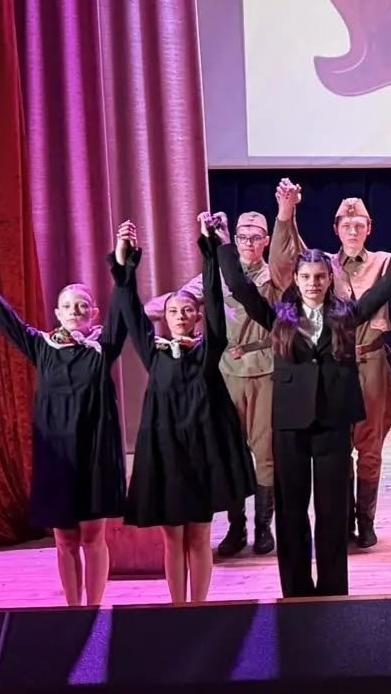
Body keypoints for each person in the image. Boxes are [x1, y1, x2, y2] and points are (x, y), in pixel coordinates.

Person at [218, 206, 391, 597]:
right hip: (290, 424)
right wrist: (225, 243)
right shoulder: (279, 318)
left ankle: (332, 591)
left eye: (320, 277)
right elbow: (241, 289)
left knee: (331, 512)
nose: (313, 283)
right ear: (296, 280)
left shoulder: (345, 316)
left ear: (330, 279)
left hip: (332, 422)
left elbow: (388, 284)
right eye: (306, 277)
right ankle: (296, 590)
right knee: (292, 512)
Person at [0, 247, 125, 607]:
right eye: (67, 306)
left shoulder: (103, 347)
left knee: (93, 537)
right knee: (65, 540)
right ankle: (73, 610)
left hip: (94, 454)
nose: (74, 311)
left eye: (82, 306)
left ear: (94, 313)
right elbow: (6, 320)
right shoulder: (42, 347)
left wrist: (123, 264)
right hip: (56, 456)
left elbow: (126, 304)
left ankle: (94, 608)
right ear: (57, 313)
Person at [112, 215, 256, 603]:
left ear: (197, 318)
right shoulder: (153, 352)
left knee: (199, 536)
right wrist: (125, 263)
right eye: (174, 311)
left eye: (187, 311)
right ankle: (178, 607)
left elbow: (214, 301)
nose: (180, 316)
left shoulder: (208, 350)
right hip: (167, 456)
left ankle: (199, 606)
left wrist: (209, 251)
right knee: (172, 538)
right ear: (165, 318)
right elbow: (129, 308)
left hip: (202, 457)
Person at [268, 181, 391, 548]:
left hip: (372, 361)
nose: (352, 230)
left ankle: (366, 519)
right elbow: (282, 262)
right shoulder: (321, 265)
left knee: (370, 444)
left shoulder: (382, 260)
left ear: (369, 228)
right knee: (335, 444)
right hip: (333, 365)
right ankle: (342, 517)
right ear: (335, 229)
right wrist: (287, 212)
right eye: (345, 225)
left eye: (359, 224)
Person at [145, 207, 282, 560]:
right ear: (234, 239)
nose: (248, 243)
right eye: (242, 237)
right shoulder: (217, 275)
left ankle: (263, 526)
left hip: (265, 370)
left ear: (266, 241)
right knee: (229, 450)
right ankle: (237, 527)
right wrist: (163, 311)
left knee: (265, 452)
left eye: (255, 237)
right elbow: (169, 303)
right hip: (225, 373)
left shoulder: (275, 275)